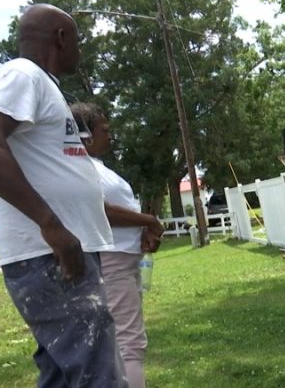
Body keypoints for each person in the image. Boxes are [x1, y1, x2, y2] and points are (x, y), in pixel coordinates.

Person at [0, 4, 127, 387]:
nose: (80, 51)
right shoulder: (22, 74)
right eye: (78, 41)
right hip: (51, 254)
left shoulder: (42, 85)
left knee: (61, 376)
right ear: (61, 37)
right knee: (97, 376)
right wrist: (51, 225)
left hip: (56, 253)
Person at [70, 101, 164, 388]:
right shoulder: (79, 167)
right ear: (85, 134)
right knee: (129, 343)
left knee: (120, 341)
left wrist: (143, 231)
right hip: (109, 260)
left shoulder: (92, 166)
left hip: (121, 257)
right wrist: (149, 219)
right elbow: (101, 209)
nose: (110, 136)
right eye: (104, 130)